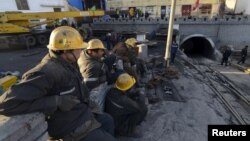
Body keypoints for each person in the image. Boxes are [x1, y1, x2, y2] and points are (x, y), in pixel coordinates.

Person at [0, 26, 116, 141]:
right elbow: (6, 104)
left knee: (108, 120)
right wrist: (56, 101)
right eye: (79, 49)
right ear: (66, 51)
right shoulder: (46, 72)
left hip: (81, 114)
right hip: (70, 128)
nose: (82, 52)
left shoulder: (68, 63)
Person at [105, 73, 148, 137]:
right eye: (131, 86)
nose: (133, 87)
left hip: (115, 119)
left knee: (135, 101)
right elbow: (139, 107)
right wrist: (141, 94)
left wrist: (133, 94)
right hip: (119, 126)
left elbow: (124, 95)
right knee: (144, 109)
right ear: (126, 88)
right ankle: (128, 131)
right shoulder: (123, 100)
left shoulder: (112, 91)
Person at [78, 39, 109, 111]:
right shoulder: (93, 66)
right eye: (101, 51)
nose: (103, 52)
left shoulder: (83, 53)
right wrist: (103, 78)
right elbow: (88, 83)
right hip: (90, 91)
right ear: (90, 51)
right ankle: (98, 112)